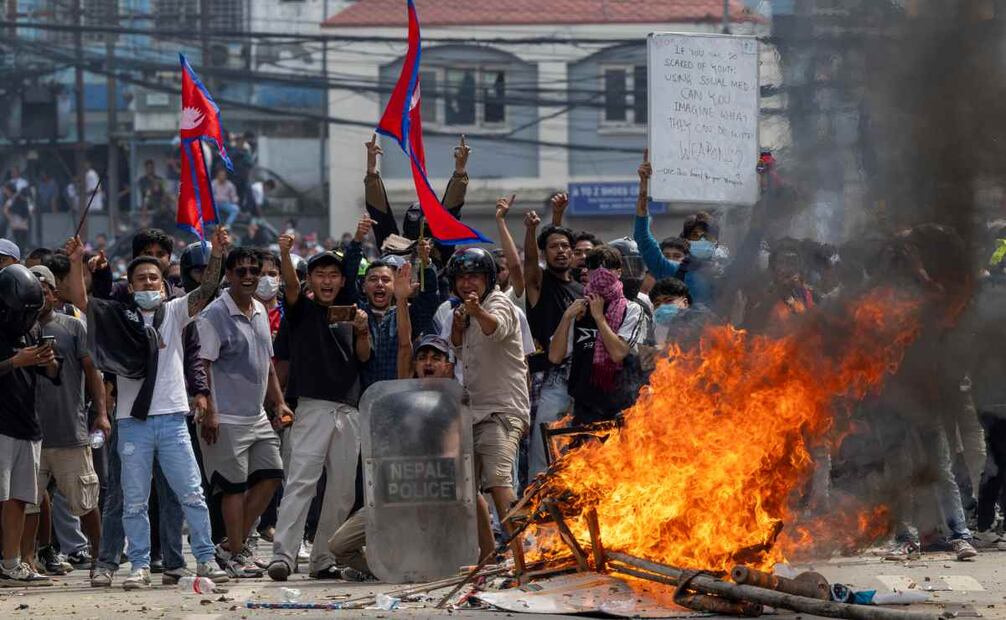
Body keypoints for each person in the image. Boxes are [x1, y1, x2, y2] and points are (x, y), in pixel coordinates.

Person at [65, 228, 231, 590]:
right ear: (130, 282)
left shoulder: (175, 311)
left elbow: (207, 290)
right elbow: (81, 299)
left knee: (191, 494)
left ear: (163, 282)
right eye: (140, 278)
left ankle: (205, 558)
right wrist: (77, 261)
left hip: (172, 420)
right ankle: (139, 566)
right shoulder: (117, 316)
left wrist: (217, 254)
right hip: (132, 423)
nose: (148, 283)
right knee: (134, 501)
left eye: (154, 277)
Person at [267, 232, 371, 581]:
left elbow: (362, 357)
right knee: (301, 483)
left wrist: (362, 331)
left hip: (349, 408)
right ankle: (282, 555)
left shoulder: (353, 312)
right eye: (320, 275)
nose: (327, 281)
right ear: (310, 279)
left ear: (343, 281)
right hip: (312, 407)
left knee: (342, 491)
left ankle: (323, 559)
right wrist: (285, 254)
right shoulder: (302, 310)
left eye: (334, 275)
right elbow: (291, 290)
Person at [196, 247, 291, 578]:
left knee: (272, 477)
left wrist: (278, 402)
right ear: (228, 276)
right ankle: (237, 553)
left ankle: (230, 546)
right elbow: (201, 365)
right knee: (232, 488)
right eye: (242, 272)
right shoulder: (213, 315)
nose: (250, 277)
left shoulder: (262, 311)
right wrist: (209, 411)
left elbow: (267, 363)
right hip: (225, 419)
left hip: (257, 417)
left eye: (256, 271)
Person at [25, 265, 109, 580]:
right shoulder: (15, 329)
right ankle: (27, 561)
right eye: (32, 288)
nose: (40, 294)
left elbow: (93, 372)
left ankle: (102, 559)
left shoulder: (74, 327)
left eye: (44, 288)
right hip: (28, 435)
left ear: (54, 292)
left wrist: (101, 414)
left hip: (69, 432)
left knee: (85, 502)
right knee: (28, 505)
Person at [446, 248, 529, 561]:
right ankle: (488, 556)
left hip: (501, 410)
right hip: (472, 411)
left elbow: (496, 329)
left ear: (488, 279)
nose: (468, 283)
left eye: (475, 276)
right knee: (466, 486)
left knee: (498, 479)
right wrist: (459, 323)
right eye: (462, 277)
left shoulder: (498, 303)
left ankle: (521, 556)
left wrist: (476, 311)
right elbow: (458, 351)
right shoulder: (465, 311)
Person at [0, 264, 59, 586]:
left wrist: (48, 362)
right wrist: (13, 362)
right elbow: (14, 364)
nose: (27, 317)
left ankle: (11, 563)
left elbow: (51, 375)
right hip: (2, 424)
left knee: (20, 498)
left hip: (27, 422)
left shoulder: (34, 329)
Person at [548, 245, 648, 426]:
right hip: (584, 407)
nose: (601, 274)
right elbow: (555, 356)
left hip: (622, 407)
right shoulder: (578, 309)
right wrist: (566, 317)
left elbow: (618, 353)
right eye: (595, 268)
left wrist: (599, 318)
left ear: (618, 272)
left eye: (607, 268)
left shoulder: (631, 310)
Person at [523, 195, 582, 480]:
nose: (560, 251)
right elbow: (532, 263)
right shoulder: (539, 285)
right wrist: (532, 231)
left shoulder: (582, 291)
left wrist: (557, 219)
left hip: (579, 381)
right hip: (549, 379)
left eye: (566, 247)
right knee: (543, 459)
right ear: (544, 253)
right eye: (553, 247)